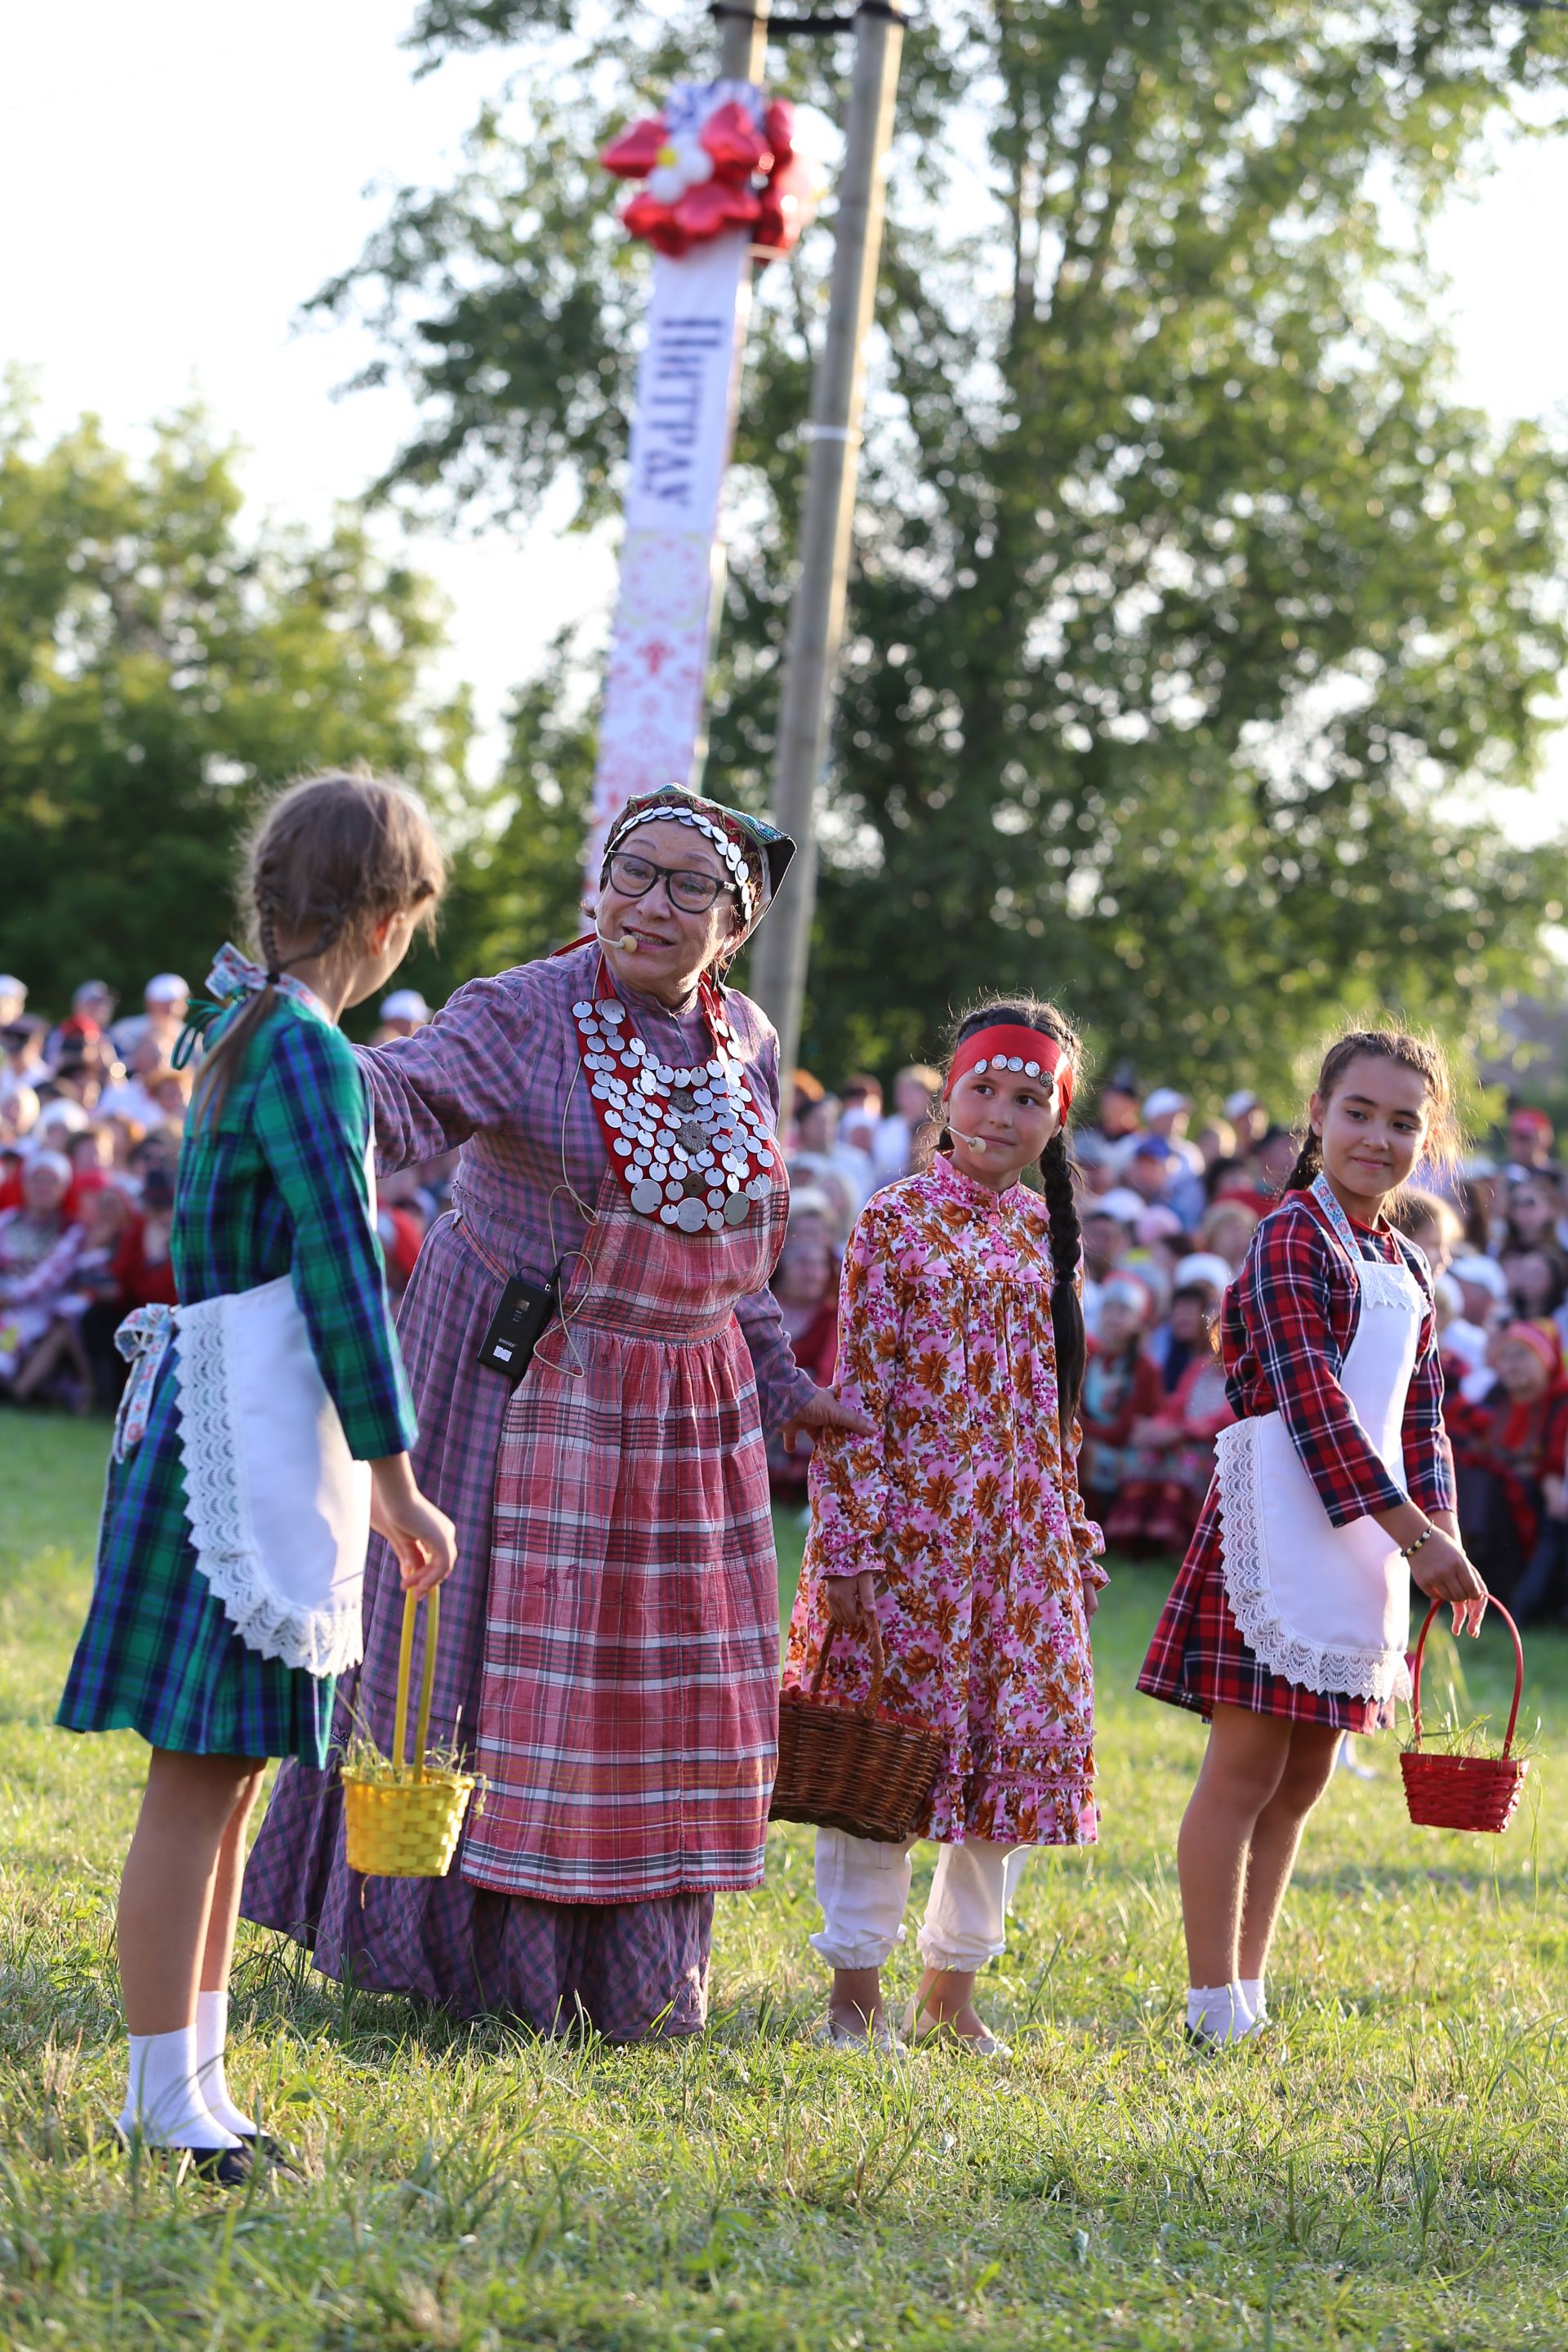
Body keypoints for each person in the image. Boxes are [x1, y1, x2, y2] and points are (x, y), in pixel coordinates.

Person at [243, 782, 868, 2043]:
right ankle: (453, 1968)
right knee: (461, 1663)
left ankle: (629, 1977)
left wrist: (791, 1389)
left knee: (663, 1689)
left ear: (733, 927)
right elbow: (404, 1096)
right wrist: (304, 1061)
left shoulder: (748, 1042)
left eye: (693, 887)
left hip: (684, 1422)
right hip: (510, 1377)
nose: (653, 903)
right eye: (635, 872)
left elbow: (734, 1256)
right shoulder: (525, 1010)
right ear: (599, 887)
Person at [56, 773, 457, 2185]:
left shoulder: (244, 1023)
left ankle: (198, 2086)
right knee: (197, 1780)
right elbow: (346, 1271)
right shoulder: (305, 1052)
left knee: (227, 1781)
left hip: (231, 1416)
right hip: (248, 1426)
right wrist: (403, 1479)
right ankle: (159, 2100)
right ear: (391, 916)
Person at [1137, 1029, 1486, 2049]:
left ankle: (1250, 1991)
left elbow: (1422, 1421)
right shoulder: (1293, 1234)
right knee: (1244, 1773)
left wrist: (1443, 1531)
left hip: (1368, 1540)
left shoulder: (1407, 1258)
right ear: (1320, 1117)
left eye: (1403, 1122)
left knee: (1302, 1782)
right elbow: (1311, 1405)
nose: (1378, 1137)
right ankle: (1210, 2006)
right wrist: (1416, 1535)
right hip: (1285, 1525)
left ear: (1428, 1137)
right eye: (1360, 1114)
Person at [785, 998, 1104, 2055]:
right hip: (908, 1534)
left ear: (1056, 1118)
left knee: (1007, 1775)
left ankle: (951, 1989)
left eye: (1030, 1098)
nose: (1003, 1113)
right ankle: (854, 1995)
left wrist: (1070, 1527)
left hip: (1016, 1544)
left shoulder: (1051, 1238)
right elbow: (854, 1394)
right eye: (985, 1088)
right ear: (944, 1093)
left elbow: (1057, 1409)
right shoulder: (891, 1221)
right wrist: (847, 1546)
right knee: (882, 1768)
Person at [1107, 1277, 1233, 1557]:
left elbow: (1226, 1418)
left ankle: (1170, 1540)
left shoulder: (1243, 1377)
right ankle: (1135, 1535)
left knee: (1185, 1463)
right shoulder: (1199, 1369)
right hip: (1183, 1438)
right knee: (1144, 1456)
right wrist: (1156, 1427)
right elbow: (1174, 1405)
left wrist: (1179, 1431)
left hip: (1213, 1448)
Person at [1445, 1321, 1568, 1601]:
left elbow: (1551, 1465)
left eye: (1522, 1356)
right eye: (1506, 1357)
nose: (1512, 1365)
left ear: (1545, 1359)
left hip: (1541, 1501)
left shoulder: (1560, 1403)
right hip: (1497, 1500)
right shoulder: (1497, 1398)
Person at [765, 1193, 841, 1505]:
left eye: (818, 1263)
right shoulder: (762, 1309)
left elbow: (829, 1375)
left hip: (807, 1414)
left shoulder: (832, 1317)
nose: (811, 1272)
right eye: (802, 1261)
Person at [1079, 1273, 1163, 1525]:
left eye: (1123, 1311)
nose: (1113, 1318)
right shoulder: (1090, 1358)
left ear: (1138, 1321)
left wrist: (1080, 1431)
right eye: (1109, 1310)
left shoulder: (1145, 1368)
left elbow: (1126, 1429)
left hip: (1125, 1450)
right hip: (1092, 1440)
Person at [0, 1151, 86, 1395]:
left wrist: (7, 1298)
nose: (43, 1188)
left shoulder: (71, 1231)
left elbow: (45, 1280)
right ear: (25, 1183)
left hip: (40, 1308)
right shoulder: (7, 1221)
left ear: (63, 1189)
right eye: (37, 1180)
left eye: (51, 1182)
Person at [871, 1064, 941, 1186]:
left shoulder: (940, 1128)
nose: (904, 1099)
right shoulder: (889, 1127)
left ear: (927, 1095)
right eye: (901, 1093)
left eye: (911, 1093)